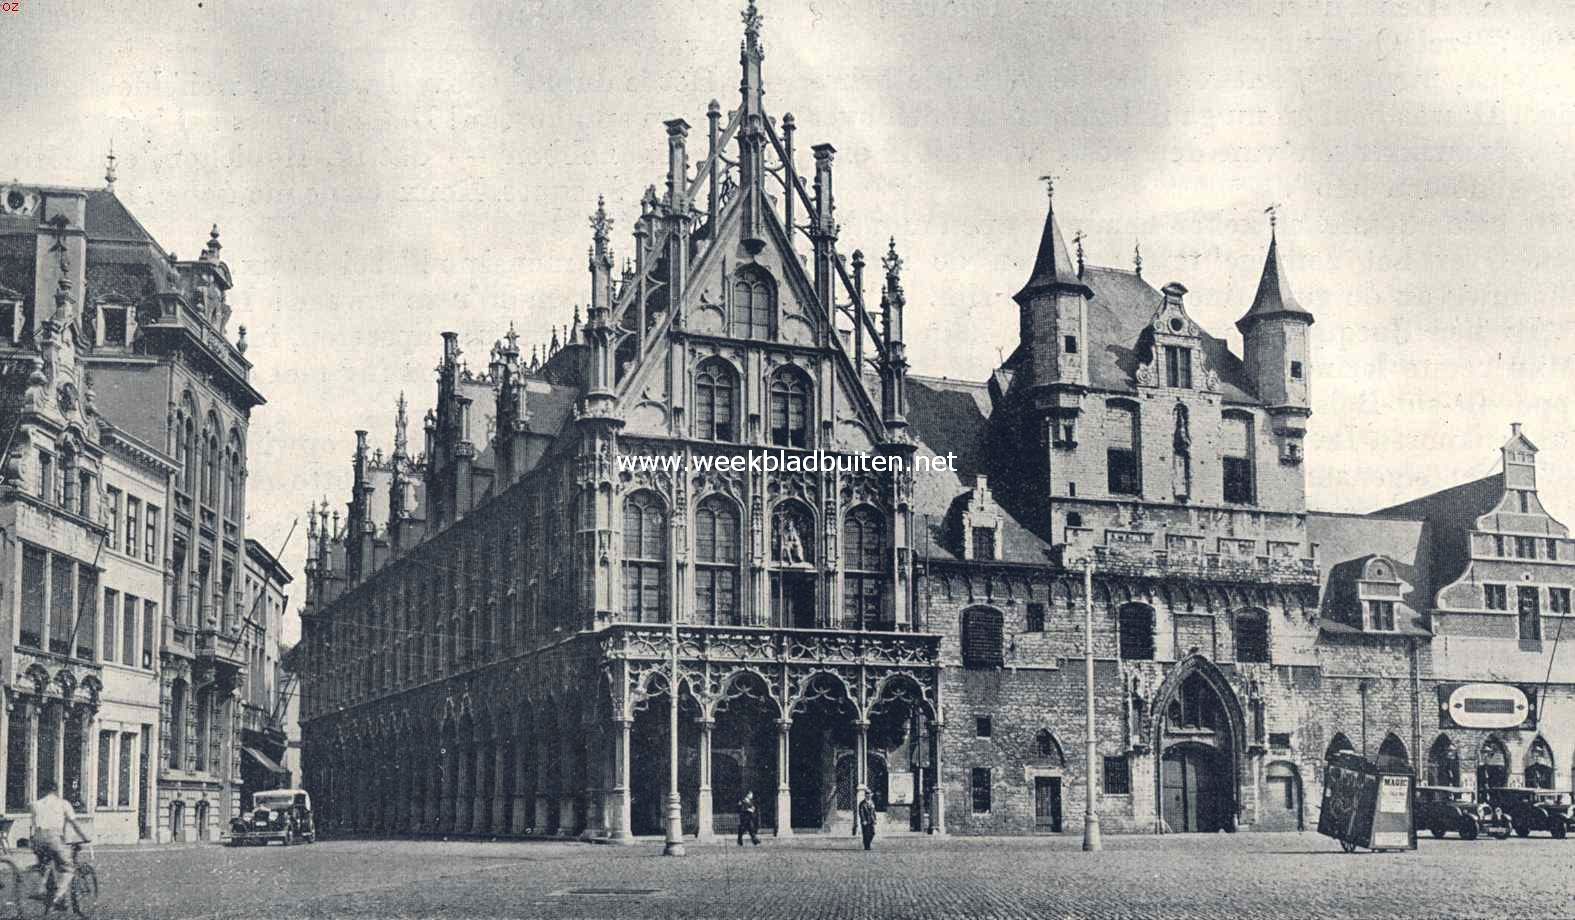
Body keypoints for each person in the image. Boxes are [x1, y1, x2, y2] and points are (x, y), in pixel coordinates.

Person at [29, 780, 88, 910]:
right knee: (68, 868)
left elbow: (33, 825)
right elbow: (74, 823)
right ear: (56, 790)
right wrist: (85, 838)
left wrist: (32, 842)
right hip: (54, 838)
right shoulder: (63, 803)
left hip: (38, 838)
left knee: (45, 866)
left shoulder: (35, 804)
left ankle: (42, 889)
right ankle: (58, 897)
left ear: (42, 791)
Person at [855, 786, 877, 851]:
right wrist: (863, 820)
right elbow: (861, 812)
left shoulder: (872, 802)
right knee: (866, 833)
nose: (868, 796)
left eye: (869, 794)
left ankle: (867, 843)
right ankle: (867, 846)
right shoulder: (862, 803)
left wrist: (875, 819)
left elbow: (873, 812)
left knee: (872, 833)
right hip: (865, 821)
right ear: (865, 795)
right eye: (867, 794)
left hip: (871, 820)